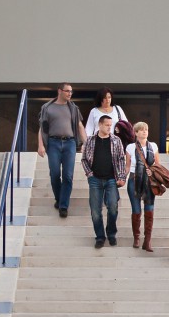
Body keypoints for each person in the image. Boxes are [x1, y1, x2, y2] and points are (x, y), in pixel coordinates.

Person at [36, 84, 84, 218]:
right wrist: (40, 145)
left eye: (71, 91)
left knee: (68, 176)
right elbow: (42, 128)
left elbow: (80, 126)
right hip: (53, 143)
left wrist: (87, 143)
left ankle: (63, 206)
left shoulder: (73, 108)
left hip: (70, 143)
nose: (70, 93)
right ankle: (59, 198)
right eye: (67, 91)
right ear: (60, 91)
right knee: (55, 174)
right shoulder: (47, 108)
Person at [79, 114, 126, 248]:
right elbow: (84, 159)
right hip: (95, 179)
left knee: (112, 207)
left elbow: (121, 160)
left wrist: (121, 177)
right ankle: (100, 237)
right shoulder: (90, 140)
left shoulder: (116, 140)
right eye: (107, 125)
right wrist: (89, 174)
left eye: (111, 125)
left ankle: (111, 234)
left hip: (111, 179)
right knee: (95, 210)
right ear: (100, 125)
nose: (109, 128)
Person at [122, 120, 161, 253]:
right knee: (136, 210)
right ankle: (137, 237)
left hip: (149, 182)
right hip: (134, 180)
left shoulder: (154, 146)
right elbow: (127, 167)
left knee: (149, 210)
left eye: (146, 129)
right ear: (136, 132)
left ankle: (147, 241)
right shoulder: (130, 147)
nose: (145, 131)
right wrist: (121, 178)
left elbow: (158, 165)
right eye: (142, 129)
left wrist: (153, 170)